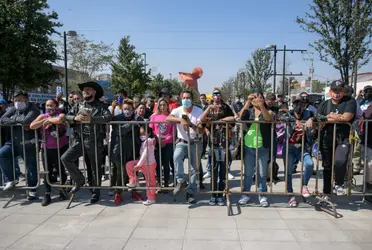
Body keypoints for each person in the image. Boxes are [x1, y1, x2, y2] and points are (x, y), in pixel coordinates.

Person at [61, 81, 111, 204]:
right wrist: (74, 118)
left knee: (95, 168)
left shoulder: (101, 105)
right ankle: (79, 180)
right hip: (79, 140)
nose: (85, 91)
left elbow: (108, 117)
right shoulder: (78, 105)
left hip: (95, 142)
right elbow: (66, 116)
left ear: (94, 92)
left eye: (88, 89)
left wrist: (92, 119)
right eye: (84, 90)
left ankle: (96, 191)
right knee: (65, 158)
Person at [307, 80, 356, 200]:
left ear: (343, 92)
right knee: (327, 166)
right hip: (326, 138)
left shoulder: (349, 101)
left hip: (343, 138)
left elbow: (346, 117)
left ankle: (339, 184)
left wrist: (328, 117)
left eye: (340, 90)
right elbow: (318, 119)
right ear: (330, 91)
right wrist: (318, 119)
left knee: (340, 161)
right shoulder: (324, 104)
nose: (337, 92)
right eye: (335, 90)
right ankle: (327, 192)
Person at [166, 90, 204, 204]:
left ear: (192, 99)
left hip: (196, 142)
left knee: (193, 169)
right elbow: (168, 118)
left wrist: (190, 124)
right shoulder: (177, 110)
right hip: (182, 141)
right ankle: (181, 180)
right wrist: (180, 120)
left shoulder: (198, 111)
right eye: (184, 97)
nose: (186, 100)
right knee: (176, 156)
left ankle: (190, 193)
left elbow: (201, 129)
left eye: (188, 98)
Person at [0, 91, 40, 200]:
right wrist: (18, 121)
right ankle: (11, 179)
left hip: (28, 142)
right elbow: (2, 119)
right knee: (2, 153)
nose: (18, 102)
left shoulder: (33, 108)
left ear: (26, 100)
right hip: (14, 140)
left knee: (30, 166)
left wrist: (13, 120)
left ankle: (32, 189)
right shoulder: (14, 109)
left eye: (20, 100)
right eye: (16, 100)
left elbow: (27, 120)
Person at [30, 99, 68, 206]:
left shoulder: (60, 114)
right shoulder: (43, 116)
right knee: (47, 171)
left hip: (61, 147)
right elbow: (32, 126)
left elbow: (60, 120)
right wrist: (44, 121)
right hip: (46, 148)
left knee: (61, 170)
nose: (49, 107)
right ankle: (47, 194)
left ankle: (63, 190)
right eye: (47, 105)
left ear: (56, 105)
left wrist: (50, 120)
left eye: (51, 105)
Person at [238, 93, 274, 207]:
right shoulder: (249, 112)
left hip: (262, 147)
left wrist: (261, 106)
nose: (256, 99)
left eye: (259, 97)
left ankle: (262, 195)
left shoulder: (269, 111)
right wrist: (248, 102)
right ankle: (246, 194)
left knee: (262, 173)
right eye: (254, 97)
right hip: (249, 146)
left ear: (263, 99)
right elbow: (240, 116)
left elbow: (268, 119)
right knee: (248, 173)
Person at [200, 89, 235, 206]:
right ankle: (213, 194)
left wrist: (221, 120)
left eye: (218, 93)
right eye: (214, 94)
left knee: (223, 171)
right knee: (214, 171)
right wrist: (209, 108)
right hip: (213, 144)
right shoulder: (209, 108)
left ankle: (221, 194)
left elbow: (233, 118)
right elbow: (201, 119)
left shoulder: (226, 107)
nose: (216, 96)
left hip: (224, 144)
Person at [280, 96, 314, 207]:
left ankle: (304, 186)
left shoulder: (309, 114)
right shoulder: (288, 114)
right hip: (289, 148)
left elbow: (322, 117)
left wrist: (311, 119)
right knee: (288, 172)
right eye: (296, 103)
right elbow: (281, 118)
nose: (298, 106)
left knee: (309, 164)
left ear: (305, 105)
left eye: (301, 104)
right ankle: (290, 195)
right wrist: (296, 121)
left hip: (303, 147)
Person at [110, 100, 143, 204]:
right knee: (120, 173)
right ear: (122, 109)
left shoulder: (138, 118)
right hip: (119, 149)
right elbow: (119, 131)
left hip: (134, 149)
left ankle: (134, 191)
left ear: (133, 109)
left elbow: (144, 129)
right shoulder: (117, 118)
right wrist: (132, 124)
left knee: (134, 171)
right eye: (125, 109)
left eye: (129, 109)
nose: (127, 111)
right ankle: (118, 193)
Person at [126, 126, 157, 205]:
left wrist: (138, 164)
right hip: (143, 163)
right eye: (140, 134)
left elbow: (145, 154)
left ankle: (151, 198)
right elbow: (142, 155)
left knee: (150, 181)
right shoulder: (144, 142)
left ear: (149, 133)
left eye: (143, 134)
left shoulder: (149, 141)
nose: (141, 135)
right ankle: (134, 181)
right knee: (129, 165)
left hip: (149, 164)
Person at [149, 98, 174, 192]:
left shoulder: (171, 116)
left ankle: (166, 183)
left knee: (166, 164)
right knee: (158, 164)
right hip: (156, 143)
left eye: (164, 105)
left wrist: (166, 141)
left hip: (168, 144)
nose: (163, 107)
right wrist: (158, 140)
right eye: (161, 105)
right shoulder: (154, 117)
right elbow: (151, 131)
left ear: (168, 106)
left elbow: (173, 132)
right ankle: (159, 183)